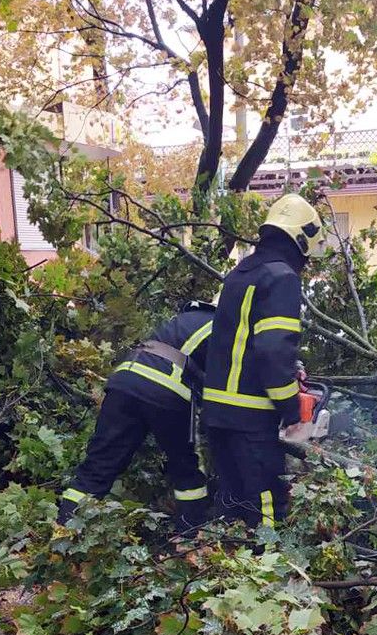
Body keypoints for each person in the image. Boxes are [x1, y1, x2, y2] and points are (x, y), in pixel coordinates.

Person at [203, 193, 324, 528]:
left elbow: (244, 343)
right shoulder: (282, 277)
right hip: (251, 417)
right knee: (266, 506)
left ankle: (229, 571)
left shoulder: (241, 271)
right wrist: (290, 406)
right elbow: (272, 350)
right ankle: (269, 573)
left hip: (218, 413)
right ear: (300, 240)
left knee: (231, 501)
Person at [60, 301, 215, 526]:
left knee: (99, 464)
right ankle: (191, 535)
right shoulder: (224, 326)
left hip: (125, 379)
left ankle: (64, 531)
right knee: (187, 468)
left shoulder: (185, 319)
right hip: (168, 389)